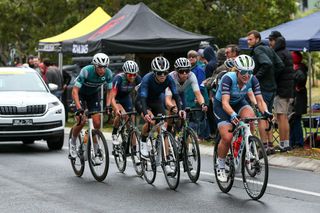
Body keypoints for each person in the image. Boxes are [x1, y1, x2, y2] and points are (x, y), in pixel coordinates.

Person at [213, 54, 272, 182]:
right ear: (237, 71)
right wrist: (233, 115)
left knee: (250, 118)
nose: (247, 75)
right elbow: (225, 103)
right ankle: (221, 165)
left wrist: (266, 112)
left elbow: (260, 100)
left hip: (239, 102)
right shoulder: (228, 78)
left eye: (250, 72)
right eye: (244, 72)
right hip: (222, 106)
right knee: (227, 137)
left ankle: (245, 144)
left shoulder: (253, 79)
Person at [135, 56, 185, 174]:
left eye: (165, 72)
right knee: (151, 121)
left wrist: (180, 110)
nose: (163, 75)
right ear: (154, 72)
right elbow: (142, 97)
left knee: (163, 125)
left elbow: (176, 95)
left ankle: (165, 160)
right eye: (159, 73)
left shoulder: (168, 79)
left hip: (156, 100)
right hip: (142, 101)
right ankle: (142, 142)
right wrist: (146, 113)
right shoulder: (147, 79)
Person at [69, 53, 113, 164]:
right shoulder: (86, 71)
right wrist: (79, 108)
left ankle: (96, 149)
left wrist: (108, 105)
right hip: (80, 95)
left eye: (104, 67)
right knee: (82, 120)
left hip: (93, 95)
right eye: (99, 67)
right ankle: (72, 143)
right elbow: (75, 91)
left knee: (97, 123)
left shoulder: (108, 74)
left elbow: (110, 91)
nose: (102, 70)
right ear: (94, 65)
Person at [247, 30, 284, 153]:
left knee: (262, 116)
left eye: (250, 39)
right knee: (267, 115)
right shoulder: (268, 48)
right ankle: (270, 145)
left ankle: (264, 146)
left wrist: (256, 77)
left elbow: (267, 64)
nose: (248, 41)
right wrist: (272, 77)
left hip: (263, 88)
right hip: (272, 87)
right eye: (248, 39)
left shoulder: (258, 50)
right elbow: (280, 65)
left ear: (257, 39)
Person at [165, 57, 207, 134]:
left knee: (184, 115)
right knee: (174, 109)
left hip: (180, 94)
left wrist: (202, 104)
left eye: (187, 71)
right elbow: (168, 99)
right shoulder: (171, 77)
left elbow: (198, 94)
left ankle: (181, 133)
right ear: (176, 71)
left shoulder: (192, 76)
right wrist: (173, 107)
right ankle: (168, 130)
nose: (184, 73)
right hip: (170, 95)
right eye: (181, 71)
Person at [268, 31, 294, 151]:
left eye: (270, 40)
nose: (269, 43)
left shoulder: (278, 53)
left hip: (281, 90)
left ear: (275, 40)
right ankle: (286, 143)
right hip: (288, 89)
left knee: (281, 117)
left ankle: (284, 144)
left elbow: (277, 71)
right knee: (284, 117)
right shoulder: (287, 52)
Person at [110, 60, 141, 146]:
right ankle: (114, 133)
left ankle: (134, 149)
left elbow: (142, 93)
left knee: (131, 124)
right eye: (130, 74)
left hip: (126, 98)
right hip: (115, 98)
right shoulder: (118, 78)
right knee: (122, 114)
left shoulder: (137, 78)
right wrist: (116, 109)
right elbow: (112, 96)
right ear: (125, 73)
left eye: (134, 74)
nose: (132, 77)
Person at [290, 51, 308, 148]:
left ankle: (298, 142)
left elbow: (301, 79)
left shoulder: (300, 69)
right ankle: (292, 141)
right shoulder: (296, 68)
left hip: (298, 98)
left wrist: (298, 85)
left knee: (296, 120)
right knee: (292, 121)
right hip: (295, 97)